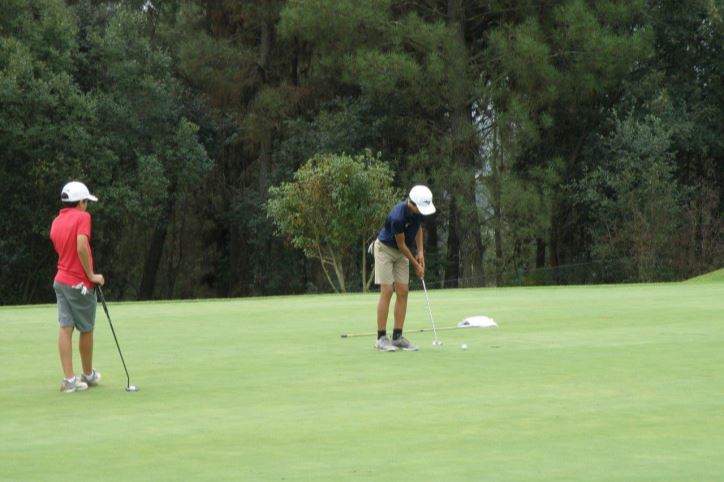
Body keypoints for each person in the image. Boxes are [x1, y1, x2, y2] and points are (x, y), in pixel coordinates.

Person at [50, 181, 105, 392]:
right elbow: (81, 245)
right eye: (86, 202)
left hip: (60, 280)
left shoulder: (56, 221)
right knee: (87, 328)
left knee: (65, 327)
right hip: (79, 283)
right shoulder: (83, 217)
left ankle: (70, 380)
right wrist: (91, 275)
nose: (87, 206)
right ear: (80, 202)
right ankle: (88, 374)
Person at [373, 185, 436, 352]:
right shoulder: (397, 217)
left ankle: (397, 337)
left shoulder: (417, 213)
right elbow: (401, 245)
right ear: (412, 203)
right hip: (385, 250)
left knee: (403, 290)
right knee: (387, 290)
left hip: (402, 252)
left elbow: (418, 230)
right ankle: (381, 338)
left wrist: (421, 252)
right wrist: (416, 265)